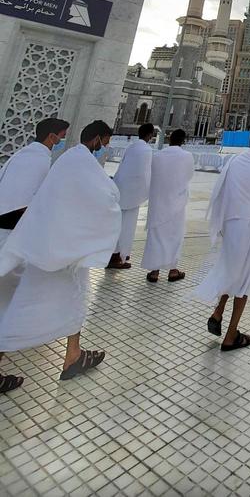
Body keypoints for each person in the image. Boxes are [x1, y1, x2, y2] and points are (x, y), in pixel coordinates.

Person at [0, 120, 119, 386]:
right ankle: (70, 356)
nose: (107, 148)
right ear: (98, 139)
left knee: (71, 299)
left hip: (58, 246)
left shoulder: (68, 160)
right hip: (48, 248)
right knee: (21, 306)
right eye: (107, 142)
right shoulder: (74, 162)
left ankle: (73, 355)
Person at [0, 117, 70, 394]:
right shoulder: (39, 161)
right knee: (7, 303)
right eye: (62, 136)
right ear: (52, 137)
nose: (62, 140)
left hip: (7, 236)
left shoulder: (21, 156)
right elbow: (26, 206)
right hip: (12, 239)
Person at [194, 129, 250, 351]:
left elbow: (222, 190)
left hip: (231, 223)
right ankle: (231, 335)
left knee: (231, 269)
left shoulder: (235, 160)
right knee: (245, 278)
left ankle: (218, 312)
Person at [141, 129, 195, 283]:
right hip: (176, 202)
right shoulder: (187, 156)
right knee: (174, 236)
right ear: (183, 141)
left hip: (158, 203)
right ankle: (172, 270)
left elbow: (151, 176)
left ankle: (154, 272)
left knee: (157, 236)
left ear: (169, 139)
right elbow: (189, 175)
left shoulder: (157, 156)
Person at [107, 122, 156, 270]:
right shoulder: (146, 150)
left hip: (122, 190)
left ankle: (116, 255)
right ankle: (118, 257)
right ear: (150, 135)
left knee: (118, 226)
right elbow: (145, 173)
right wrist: (147, 190)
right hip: (133, 195)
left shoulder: (131, 147)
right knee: (127, 227)